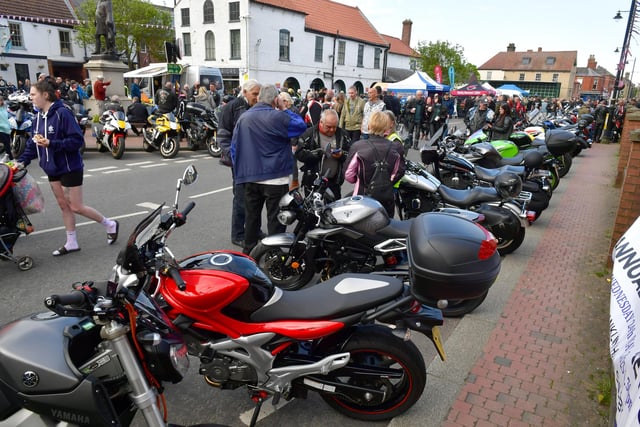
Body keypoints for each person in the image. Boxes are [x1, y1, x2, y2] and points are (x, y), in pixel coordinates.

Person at [17, 79, 119, 256]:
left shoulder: (62, 113)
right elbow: (33, 145)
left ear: (45, 95)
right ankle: (71, 242)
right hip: (51, 168)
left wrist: (51, 143)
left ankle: (109, 224)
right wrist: (21, 161)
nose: (30, 97)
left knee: (76, 206)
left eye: (33, 94)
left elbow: (76, 141)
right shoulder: (37, 117)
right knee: (64, 205)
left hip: (70, 166)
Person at [231, 84, 307, 254]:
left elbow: (234, 148)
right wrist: (284, 108)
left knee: (251, 218)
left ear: (258, 98)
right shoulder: (278, 117)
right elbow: (301, 126)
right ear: (275, 100)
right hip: (275, 177)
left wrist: (240, 173)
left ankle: (249, 252)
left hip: (250, 177)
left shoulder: (244, 117)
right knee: (275, 220)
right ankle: (275, 254)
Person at [218, 79, 261, 247]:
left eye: (259, 94)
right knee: (241, 198)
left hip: (255, 161)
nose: (257, 98)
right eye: (254, 94)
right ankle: (238, 233)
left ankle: (253, 230)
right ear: (244, 92)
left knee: (255, 198)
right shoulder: (232, 107)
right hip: (240, 162)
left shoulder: (257, 107)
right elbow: (222, 135)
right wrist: (233, 155)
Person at [344, 111, 405, 217]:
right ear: (387, 127)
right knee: (386, 228)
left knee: (362, 229)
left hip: (363, 196)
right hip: (386, 198)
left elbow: (348, 175)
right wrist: (385, 181)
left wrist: (360, 179)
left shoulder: (358, 146)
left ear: (369, 125)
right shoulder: (396, 147)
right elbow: (399, 171)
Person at [295, 109, 351, 199]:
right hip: (312, 182)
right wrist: (320, 152)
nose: (332, 130)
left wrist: (341, 155)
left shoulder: (343, 135)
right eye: (328, 127)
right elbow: (299, 154)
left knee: (334, 211)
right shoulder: (309, 134)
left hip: (334, 183)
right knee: (313, 212)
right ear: (321, 122)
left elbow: (351, 155)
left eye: (334, 127)